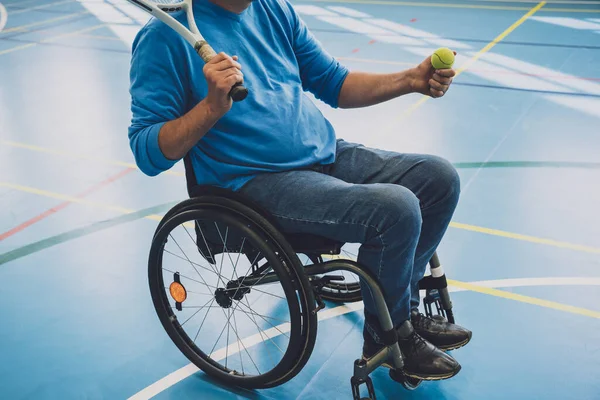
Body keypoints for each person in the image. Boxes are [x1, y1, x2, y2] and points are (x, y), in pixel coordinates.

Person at [128, 0, 471, 383]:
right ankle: (387, 336)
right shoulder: (163, 38)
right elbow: (147, 152)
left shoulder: (272, 9)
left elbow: (333, 83)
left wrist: (410, 80)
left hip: (324, 155)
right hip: (255, 184)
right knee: (396, 208)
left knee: (438, 179)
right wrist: (211, 106)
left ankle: (399, 314)